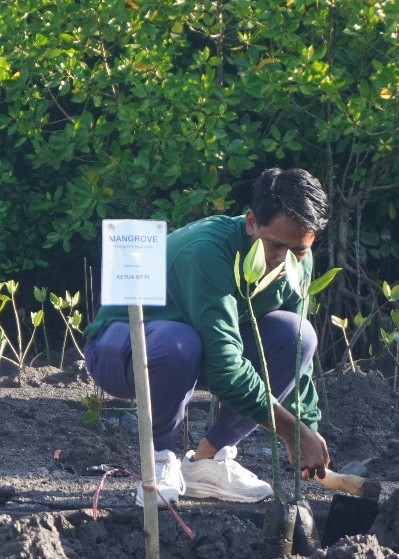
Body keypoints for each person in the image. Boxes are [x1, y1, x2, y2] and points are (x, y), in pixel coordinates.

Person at [84, 167, 331, 507]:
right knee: (180, 343)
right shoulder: (209, 252)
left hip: (196, 351)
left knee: (298, 335)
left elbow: (296, 361)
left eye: (299, 249)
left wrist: (308, 425)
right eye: (275, 245)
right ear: (251, 222)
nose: (284, 258)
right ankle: (158, 458)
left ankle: (205, 463)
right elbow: (226, 368)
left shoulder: (296, 258)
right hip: (120, 352)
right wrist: (291, 432)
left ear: (311, 239)